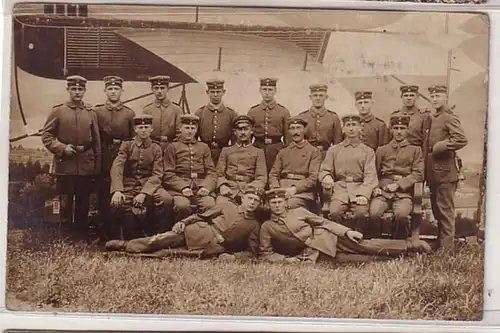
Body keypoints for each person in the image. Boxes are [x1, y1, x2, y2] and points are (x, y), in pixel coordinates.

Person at [258, 188, 431, 264]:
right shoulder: (267, 226)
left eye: (280, 202)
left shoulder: (299, 212)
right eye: (273, 203)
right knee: (358, 260)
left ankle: (410, 245)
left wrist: (347, 231)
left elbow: (325, 222)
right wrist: (287, 261)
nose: (277, 205)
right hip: (311, 254)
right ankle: (401, 258)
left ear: (286, 203)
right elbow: (265, 253)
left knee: (365, 246)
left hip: (326, 237)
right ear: (269, 206)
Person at [105, 186, 265, 260]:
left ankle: (126, 256)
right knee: (159, 240)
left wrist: (233, 257)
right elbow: (201, 216)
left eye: (256, 201)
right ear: (242, 198)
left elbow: (251, 253)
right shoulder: (226, 206)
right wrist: (183, 222)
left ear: (259, 205)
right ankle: (125, 246)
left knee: (167, 254)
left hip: (210, 248)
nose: (252, 203)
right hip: (196, 231)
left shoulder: (254, 225)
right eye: (250, 198)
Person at [41, 75, 101, 241]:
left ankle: (81, 236)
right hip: (65, 165)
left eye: (80, 89)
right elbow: (46, 136)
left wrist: (97, 166)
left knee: (83, 201)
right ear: (68, 90)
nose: (77, 92)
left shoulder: (90, 113)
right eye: (73, 89)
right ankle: (66, 235)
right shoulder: (58, 111)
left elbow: (97, 142)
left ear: (84, 91)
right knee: (65, 200)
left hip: (85, 165)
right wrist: (61, 148)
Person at [109, 115, 173, 240]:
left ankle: (159, 236)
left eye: (146, 127)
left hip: (150, 184)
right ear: (135, 129)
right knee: (117, 203)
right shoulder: (127, 145)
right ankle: (125, 238)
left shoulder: (156, 147)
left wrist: (144, 193)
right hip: (129, 183)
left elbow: (157, 174)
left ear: (151, 129)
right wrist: (117, 190)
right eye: (140, 127)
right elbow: (117, 166)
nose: (143, 130)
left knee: (166, 200)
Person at [318, 114, 378, 234]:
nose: (351, 129)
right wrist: (326, 176)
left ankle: (359, 239)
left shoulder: (367, 151)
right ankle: (341, 240)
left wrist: (364, 195)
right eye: (348, 125)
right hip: (340, 189)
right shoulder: (334, 150)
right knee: (334, 212)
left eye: (354, 125)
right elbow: (324, 169)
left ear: (360, 128)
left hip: (359, 188)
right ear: (343, 129)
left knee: (361, 214)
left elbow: (370, 176)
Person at [425, 85, 468, 250]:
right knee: (437, 209)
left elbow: (461, 139)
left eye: (438, 96)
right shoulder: (433, 117)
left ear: (446, 98)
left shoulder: (449, 117)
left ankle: (447, 249)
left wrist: (441, 145)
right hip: (434, 172)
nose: (435, 99)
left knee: (446, 210)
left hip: (446, 172)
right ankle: (441, 241)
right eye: (433, 96)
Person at [369, 115, 424, 240]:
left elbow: (418, 174)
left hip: (403, 194)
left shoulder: (415, 150)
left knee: (401, 215)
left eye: (402, 128)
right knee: (374, 213)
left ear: (407, 130)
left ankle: (399, 245)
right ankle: (377, 244)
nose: (399, 131)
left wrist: (398, 184)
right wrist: (375, 188)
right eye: (396, 128)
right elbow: (373, 173)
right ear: (391, 130)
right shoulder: (382, 150)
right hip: (383, 192)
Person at [94, 75, 136, 239]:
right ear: (105, 91)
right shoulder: (97, 112)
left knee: (121, 194)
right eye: (110, 89)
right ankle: (104, 233)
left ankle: (122, 233)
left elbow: (133, 139)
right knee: (104, 195)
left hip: (123, 158)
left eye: (116, 89)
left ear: (121, 91)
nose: (113, 92)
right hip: (104, 158)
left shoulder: (129, 113)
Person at [163, 114, 217, 222]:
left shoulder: (204, 147)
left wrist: (206, 187)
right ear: (180, 128)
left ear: (196, 130)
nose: (189, 131)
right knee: (182, 206)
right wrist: (183, 187)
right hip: (179, 189)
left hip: (200, 187)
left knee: (209, 205)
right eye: (187, 128)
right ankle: (181, 233)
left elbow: (211, 172)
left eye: (193, 128)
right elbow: (168, 173)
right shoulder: (172, 147)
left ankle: (202, 233)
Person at [269, 116, 321, 211]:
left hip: (302, 193)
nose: (295, 132)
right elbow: (273, 174)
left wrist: (295, 189)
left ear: (304, 130)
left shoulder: (313, 151)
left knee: (287, 206)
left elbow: (313, 179)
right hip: (282, 189)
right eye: (292, 128)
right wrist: (276, 189)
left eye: (298, 128)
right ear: (289, 131)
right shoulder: (283, 152)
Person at [216, 115, 267, 206]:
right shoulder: (226, 151)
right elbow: (219, 173)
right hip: (229, 189)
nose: (243, 132)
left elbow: (261, 177)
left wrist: (248, 189)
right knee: (222, 205)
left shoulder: (258, 152)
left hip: (249, 189)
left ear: (251, 131)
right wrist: (223, 186)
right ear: (235, 132)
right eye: (240, 129)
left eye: (246, 129)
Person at [248, 77, 292, 172]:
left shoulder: (283, 112)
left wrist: (285, 153)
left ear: (275, 91)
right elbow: (248, 136)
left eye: (270, 90)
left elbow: (288, 137)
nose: (267, 93)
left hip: (276, 149)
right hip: (257, 147)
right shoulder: (253, 112)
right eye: (264, 89)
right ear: (260, 90)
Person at [194, 79, 238, 165]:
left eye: (218, 91)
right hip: (204, 153)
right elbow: (194, 137)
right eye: (212, 91)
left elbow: (234, 139)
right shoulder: (200, 113)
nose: (215, 95)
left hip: (224, 152)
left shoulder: (231, 114)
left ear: (223, 92)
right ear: (207, 92)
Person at [298, 84, 343, 158]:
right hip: (306, 156)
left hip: (327, 156)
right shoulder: (302, 117)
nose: (318, 98)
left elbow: (338, 143)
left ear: (326, 97)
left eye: (321, 95)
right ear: (310, 97)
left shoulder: (333, 117)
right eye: (315, 95)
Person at [142, 75, 183, 149]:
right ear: (152, 89)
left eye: (162, 88)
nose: (159, 91)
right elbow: (143, 132)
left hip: (171, 148)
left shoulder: (177, 110)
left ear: (168, 89)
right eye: (156, 88)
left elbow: (180, 134)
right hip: (151, 148)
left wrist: (173, 148)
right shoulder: (147, 110)